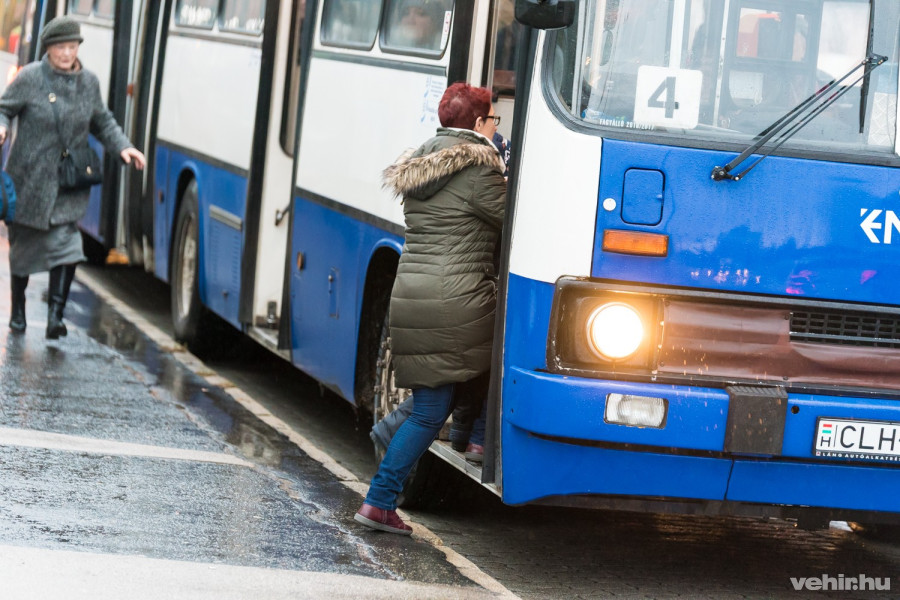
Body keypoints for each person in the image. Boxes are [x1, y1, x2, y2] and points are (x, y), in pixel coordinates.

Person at [355, 82, 506, 535]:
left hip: (414, 292)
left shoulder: (422, 163)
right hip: (453, 299)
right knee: (433, 407)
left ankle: (422, 434)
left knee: (444, 387)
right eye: (493, 119)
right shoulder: (481, 172)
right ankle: (380, 501)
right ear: (478, 124)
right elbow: (514, 221)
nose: (497, 126)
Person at [0, 16, 145, 338]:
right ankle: (19, 311)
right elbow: (4, 108)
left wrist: (124, 147)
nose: (66, 53)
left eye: (72, 47)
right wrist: (2, 126)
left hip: (69, 183)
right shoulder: (30, 78)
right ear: (48, 49)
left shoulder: (88, 82)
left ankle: (55, 316)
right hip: (29, 180)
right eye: (60, 47)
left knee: (67, 248)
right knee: (23, 250)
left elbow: (103, 122)